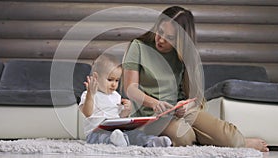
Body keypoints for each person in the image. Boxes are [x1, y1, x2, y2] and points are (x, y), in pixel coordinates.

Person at [122, 6, 269, 152]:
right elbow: (130, 88)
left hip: (180, 112)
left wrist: (186, 107)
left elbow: (196, 98)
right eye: (160, 32)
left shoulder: (186, 56)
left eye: (170, 37)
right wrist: (154, 104)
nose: (160, 39)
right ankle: (211, 143)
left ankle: (238, 143)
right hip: (151, 116)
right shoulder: (138, 47)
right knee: (184, 137)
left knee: (230, 137)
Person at [78, 54, 172, 147]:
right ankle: (116, 141)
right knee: (102, 138)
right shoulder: (88, 94)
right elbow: (87, 113)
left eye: (117, 80)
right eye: (110, 80)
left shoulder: (116, 96)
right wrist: (91, 94)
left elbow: (119, 116)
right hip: (95, 133)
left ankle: (152, 141)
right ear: (95, 77)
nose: (114, 84)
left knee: (134, 134)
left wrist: (126, 111)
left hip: (117, 130)